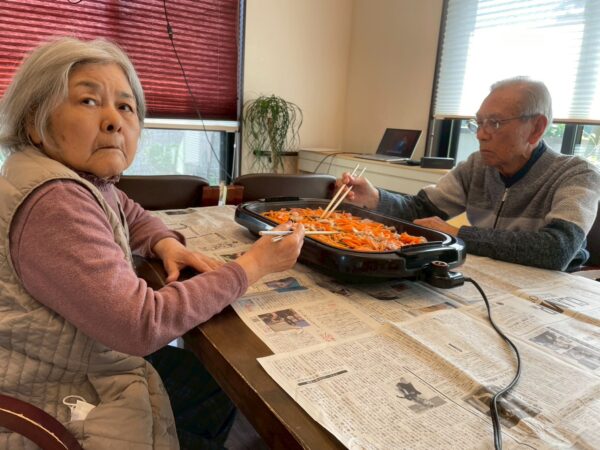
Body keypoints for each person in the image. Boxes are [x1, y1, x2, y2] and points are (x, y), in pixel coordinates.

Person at [0, 37, 305, 449]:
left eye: (125, 107)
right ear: (35, 121)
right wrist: (254, 266)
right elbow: (141, 325)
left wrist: (164, 244)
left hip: (81, 356)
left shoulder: (77, 179)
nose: (114, 120)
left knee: (216, 382)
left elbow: (131, 213)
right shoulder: (55, 200)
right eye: (88, 101)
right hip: (57, 397)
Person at [337, 77, 600, 271]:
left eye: (495, 123)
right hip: (487, 273)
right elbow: (420, 209)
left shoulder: (576, 174)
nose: (481, 134)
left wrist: (458, 233)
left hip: (550, 289)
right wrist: (374, 198)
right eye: (479, 122)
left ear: (536, 128)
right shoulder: (477, 166)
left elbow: (558, 249)